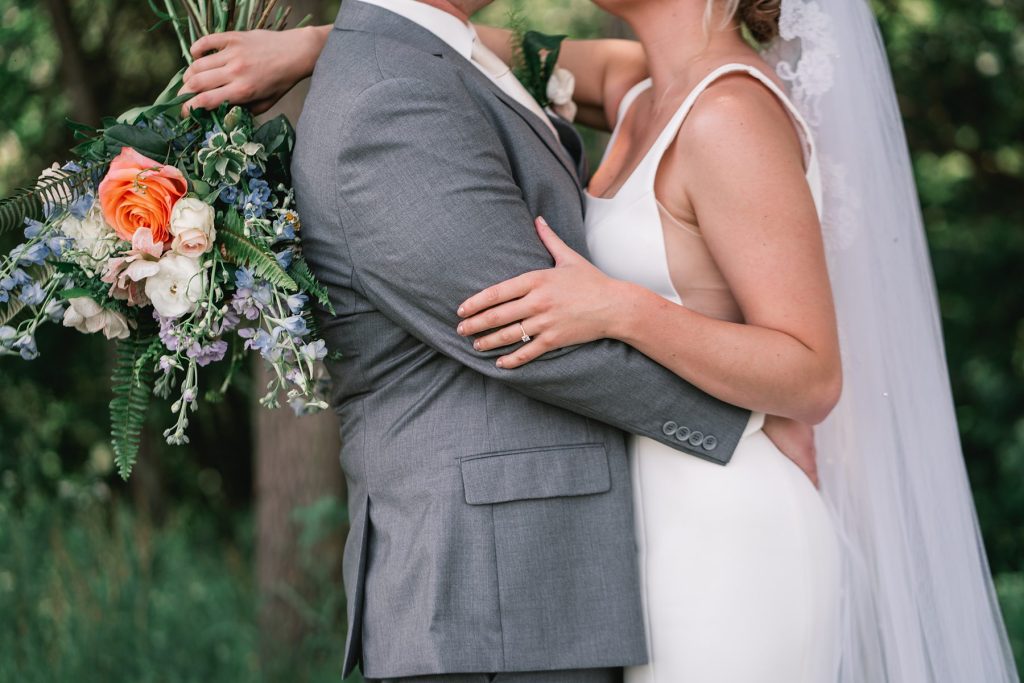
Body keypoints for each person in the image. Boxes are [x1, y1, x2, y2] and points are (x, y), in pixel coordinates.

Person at [180, 1, 1020, 682]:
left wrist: (626, 310)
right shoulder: (643, 93)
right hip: (641, 523)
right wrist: (324, 42)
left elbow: (811, 372)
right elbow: (457, 41)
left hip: (726, 519)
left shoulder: (730, 112)